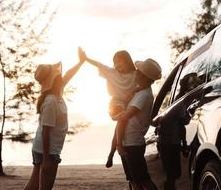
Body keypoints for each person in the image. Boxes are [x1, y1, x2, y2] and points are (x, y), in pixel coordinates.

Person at [24, 48, 85, 190]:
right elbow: (46, 131)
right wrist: (46, 159)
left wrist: (80, 63)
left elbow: (69, 74)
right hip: (47, 150)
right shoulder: (51, 101)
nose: (61, 76)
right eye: (58, 75)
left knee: (34, 184)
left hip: (44, 148)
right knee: (45, 187)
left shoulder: (57, 93)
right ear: (54, 79)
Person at [79, 48, 139, 168]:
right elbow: (99, 64)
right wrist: (85, 59)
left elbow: (144, 80)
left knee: (119, 127)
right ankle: (119, 147)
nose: (116, 65)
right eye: (115, 62)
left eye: (119, 61)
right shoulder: (113, 73)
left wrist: (134, 91)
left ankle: (111, 154)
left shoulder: (136, 74)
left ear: (127, 61)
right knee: (122, 119)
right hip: (116, 102)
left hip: (128, 103)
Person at [115, 58, 161, 190]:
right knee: (136, 180)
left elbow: (124, 118)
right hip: (131, 142)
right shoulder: (141, 93)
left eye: (139, 72)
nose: (136, 73)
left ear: (145, 77)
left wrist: (118, 143)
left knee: (142, 180)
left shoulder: (144, 95)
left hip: (132, 143)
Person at [158, 72, 202, 190]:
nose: (197, 86)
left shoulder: (181, 100)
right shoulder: (181, 102)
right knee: (173, 174)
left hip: (171, 141)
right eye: (194, 83)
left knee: (173, 174)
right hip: (169, 142)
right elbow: (184, 122)